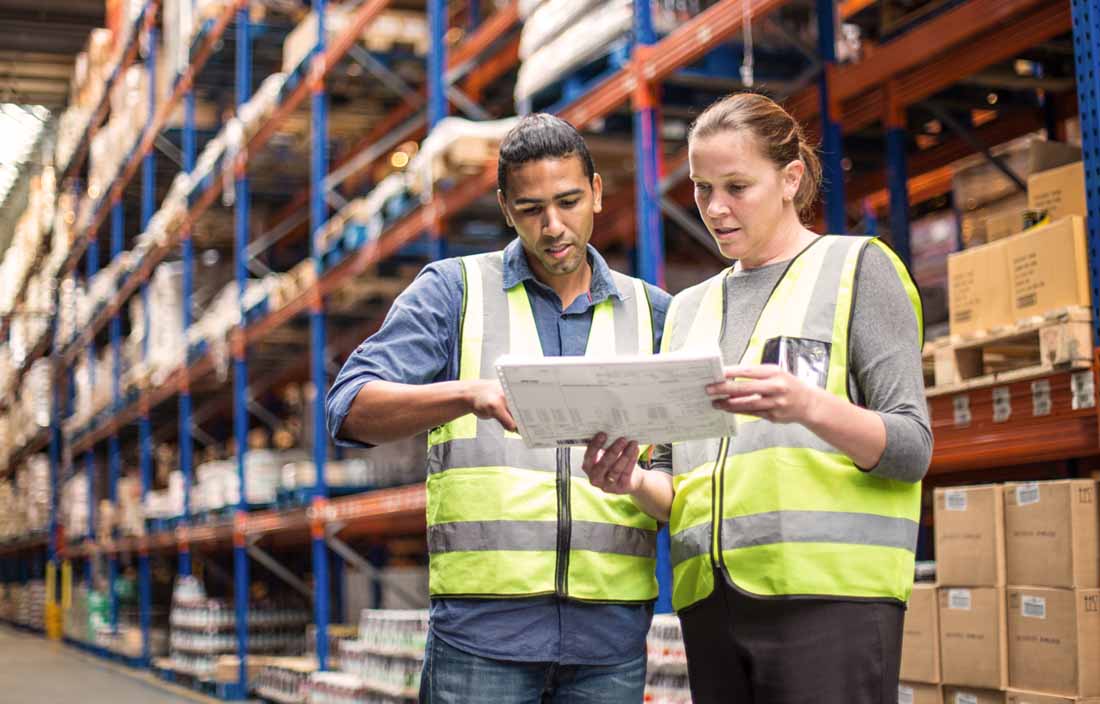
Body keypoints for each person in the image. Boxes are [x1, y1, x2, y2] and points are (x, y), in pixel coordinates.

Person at [580, 92, 931, 704]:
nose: (715, 209)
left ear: (791, 178)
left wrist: (811, 406)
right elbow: (674, 487)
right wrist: (631, 483)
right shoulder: (688, 310)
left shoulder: (856, 270)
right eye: (700, 188)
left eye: (737, 186)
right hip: (710, 605)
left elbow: (912, 447)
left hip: (829, 600)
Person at [326, 113, 672, 704]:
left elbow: (680, 474)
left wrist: (638, 480)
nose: (554, 226)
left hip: (609, 643)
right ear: (505, 209)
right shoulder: (454, 292)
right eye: (532, 208)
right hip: (483, 641)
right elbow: (349, 407)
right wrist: (467, 393)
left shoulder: (654, 312)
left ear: (596, 190)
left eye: (568, 201)